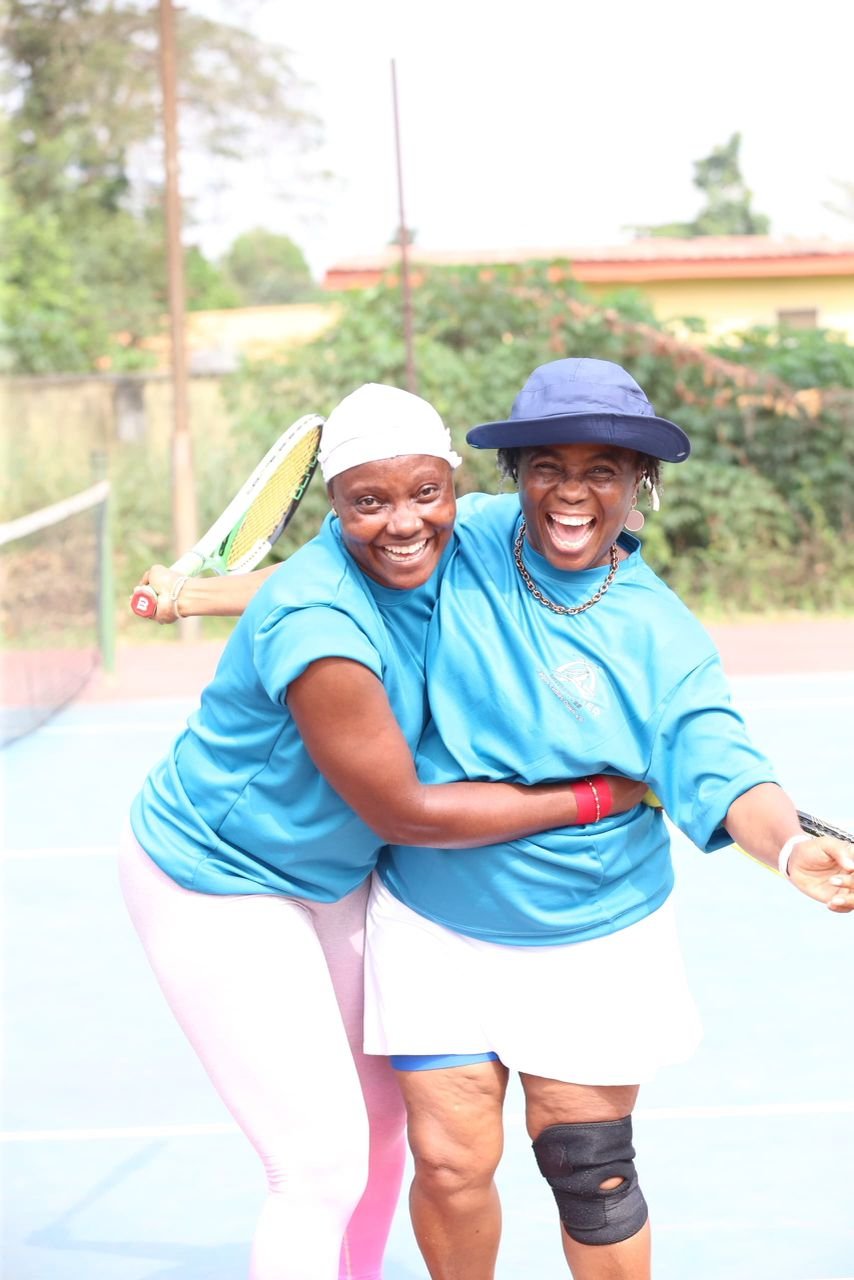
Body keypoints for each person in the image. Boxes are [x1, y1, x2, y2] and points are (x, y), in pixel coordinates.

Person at [122, 380, 647, 1280]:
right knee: (315, 1169)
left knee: (382, 1121)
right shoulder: (320, 632)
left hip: (333, 873)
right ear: (335, 505)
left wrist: (195, 596)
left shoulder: (463, 533)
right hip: (219, 877)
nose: (403, 522)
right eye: (369, 502)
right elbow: (404, 812)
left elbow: (591, 524)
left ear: (453, 484)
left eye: (424, 493)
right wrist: (600, 795)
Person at [359, 358, 854, 1280]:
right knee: (450, 1163)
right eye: (549, 466)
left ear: (639, 485)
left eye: (603, 470)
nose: (572, 491)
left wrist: (790, 847)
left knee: (589, 1173)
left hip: (591, 928)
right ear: (517, 475)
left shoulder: (661, 635)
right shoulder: (463, 537)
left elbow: (723, 764)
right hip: (433, 917)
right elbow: (330, 582)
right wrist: (192, 596)